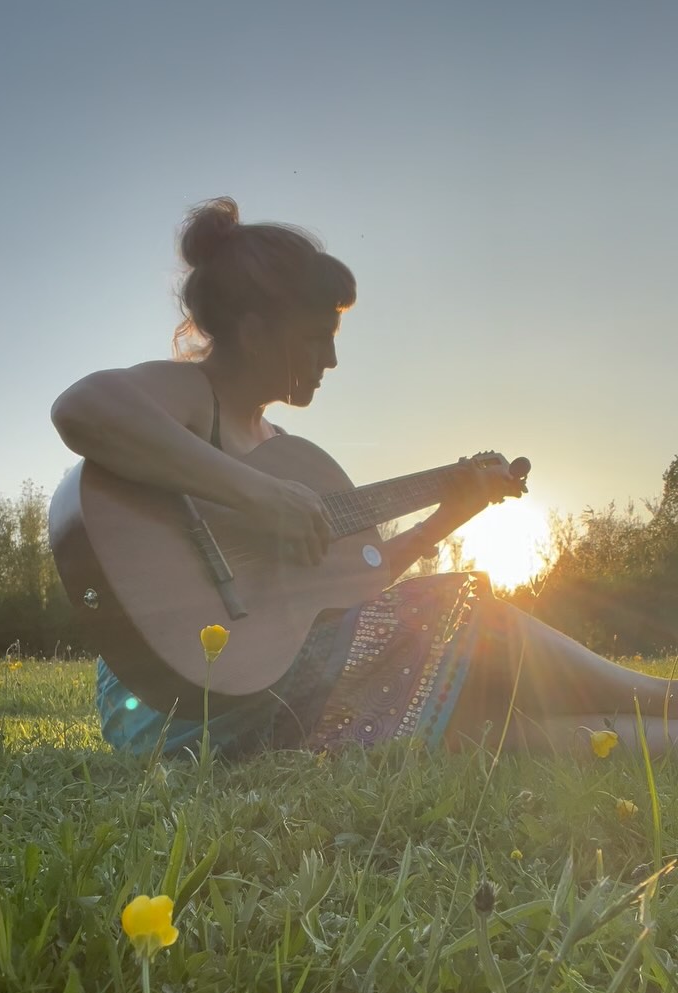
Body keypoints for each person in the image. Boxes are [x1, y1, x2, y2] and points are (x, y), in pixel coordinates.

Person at [51, 197, 678, 759]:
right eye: (315, 338)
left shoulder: (284, 450)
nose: (330, 359)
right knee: (473, 615)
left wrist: (451, 514)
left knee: (481, 726)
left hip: (273, 688)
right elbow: (82, 408)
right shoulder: (195, 396)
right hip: (166, 702)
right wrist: (257, 495)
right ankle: (664, 694)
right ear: (256, 331)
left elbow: (353, 589)